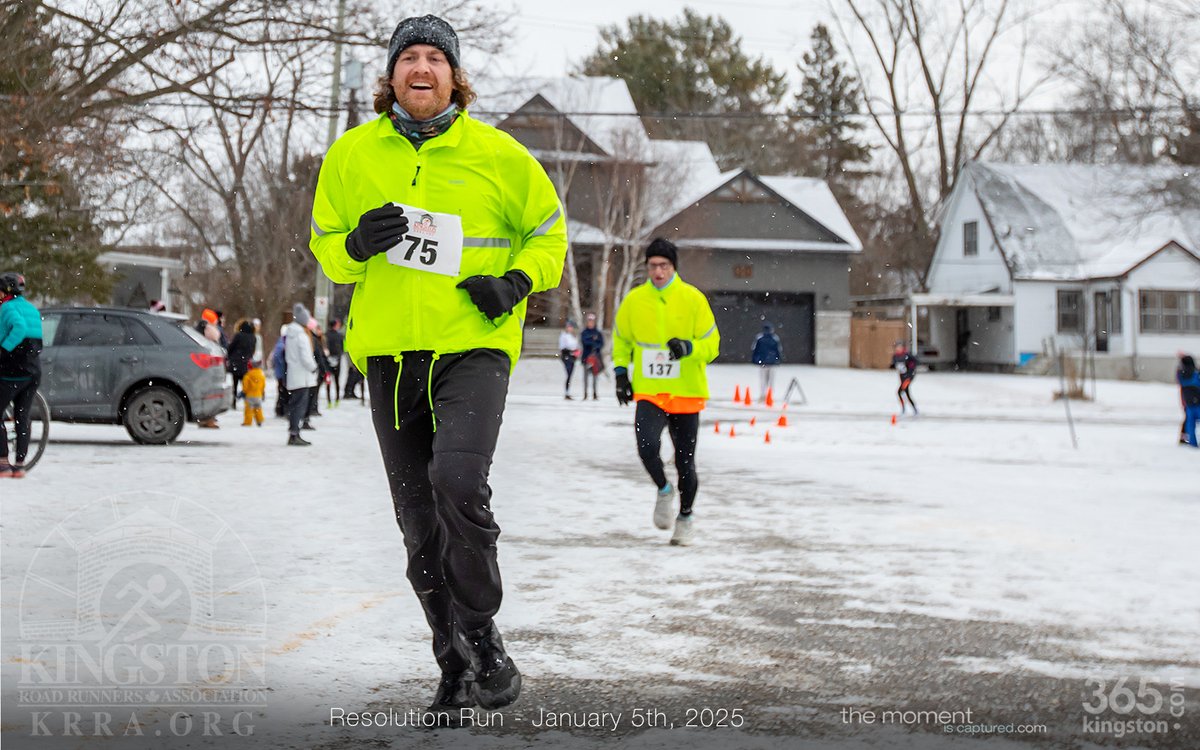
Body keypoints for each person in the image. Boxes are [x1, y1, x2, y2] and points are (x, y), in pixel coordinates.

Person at [307, 13, 567, 716]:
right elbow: (326, 245)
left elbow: (550, 236)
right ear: (391, 77)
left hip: (472, 346)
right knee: (417, 522)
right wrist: (355, 244)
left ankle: (481, 635)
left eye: (434, 58)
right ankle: (450, 660)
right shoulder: (352, 155)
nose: (421, 69)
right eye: (408, 58)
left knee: (457, 480)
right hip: (391, 353)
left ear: (455, 76)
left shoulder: (501, 155)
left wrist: (515, 283)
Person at [612, 238, 719, 547]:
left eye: (664, 265)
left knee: (686, 463)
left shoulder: (693, 299)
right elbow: (622, 341)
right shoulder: (634, 300)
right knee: (646, 446)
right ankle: (663, 489)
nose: (658, 271)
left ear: (674, 268)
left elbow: (713, 346)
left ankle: (685, 516)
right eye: (652, 266)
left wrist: (689, 347)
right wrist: (621, 373)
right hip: (650, 392)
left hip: (686, 391)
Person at [0, 272, 43, 478]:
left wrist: (4, 348)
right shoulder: (32, 309)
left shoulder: (7, 307)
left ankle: (2, 463)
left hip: (12, 371)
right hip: (33, 371)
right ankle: (19, 465)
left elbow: (19, 327)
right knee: (22, 417)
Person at [284, 304, 318, 446]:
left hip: (293, 374)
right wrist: (314, 368)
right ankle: (295, 434)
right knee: (300, 406)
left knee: (294, 404)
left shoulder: (290, 334)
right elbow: (306, 357)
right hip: (303, 376)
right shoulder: (301, 336)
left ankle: (293, 432)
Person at [227, 320, 257, 408]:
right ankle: (247, 403)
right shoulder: (253, 337)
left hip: (236, 363)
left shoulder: (238, 335)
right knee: (246, 385)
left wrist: (230, 356)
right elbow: (253, 351)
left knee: (235, 384)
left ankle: (234, 402)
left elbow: (231, 347)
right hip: (246, 364)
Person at [751, 322, 782, 401]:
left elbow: (755, 349)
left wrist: (755, 360)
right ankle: (770, 395)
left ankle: (762, 395)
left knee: (763, 380)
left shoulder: (759, 338)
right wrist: (778, 359)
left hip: (763, 362)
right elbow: (778, 350)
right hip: (772, 362)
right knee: (771, 380)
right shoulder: (775, 338)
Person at [1177, 354, 1200, 448]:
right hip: (1198, 403)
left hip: (1189, 404)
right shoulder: (1196, 374)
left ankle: (1192, 442)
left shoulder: (1182, 375)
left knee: (1190, 424)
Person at [580, 312, 604, 400]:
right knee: (586, 377)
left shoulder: (598, 332)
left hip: (595, 357)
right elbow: (585, 342)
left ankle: (594, 393)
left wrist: (593, 343)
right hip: (586, 357)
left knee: (595, 377)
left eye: (592, 321)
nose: (590, 323)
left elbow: (601, 344)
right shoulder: (584, 332)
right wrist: (593, 341)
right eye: (589, 321)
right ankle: (585, 393)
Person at [892, 341, 919, 416]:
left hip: (908, 377)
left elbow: (915, 361)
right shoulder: (895, 356)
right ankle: (914, 409)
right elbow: (895, 365)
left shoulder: (907, 355)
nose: (898, 348)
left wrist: (911, 369)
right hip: (902, 377)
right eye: (897, 347)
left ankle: (905, 409)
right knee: (906, 393)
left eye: (900, 347)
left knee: (900, 391)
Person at [325, 318, 345, 407]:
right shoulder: (339, 335)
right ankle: (337, 400)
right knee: (337, 381)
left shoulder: (326, 335)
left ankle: (329, 401)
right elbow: (342, 348)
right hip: (337, 360)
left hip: (328, 361)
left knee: (328, 381)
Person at [241, 359, 267, 427]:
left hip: (250, 395)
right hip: (258, 395)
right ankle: (259, 420)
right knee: (258, 408)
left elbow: (245, 386)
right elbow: (263, 385)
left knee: (249, 410)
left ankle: (248, 422)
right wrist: (262, 392)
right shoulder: (261, 375)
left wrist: (244, 391)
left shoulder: (248, 375)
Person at [558, 320, 579, 399]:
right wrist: (570, 351)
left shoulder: (573, 336)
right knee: (568, 373)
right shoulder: (564, 335)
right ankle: (566, 392)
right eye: (568, 327)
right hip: (566, 355)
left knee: (570, 374)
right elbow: (563, 347)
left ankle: (568, 392)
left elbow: (575, 346)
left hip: (573, 356)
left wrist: (575, 352)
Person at [271, 324, 289, 418]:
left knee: (282, 391)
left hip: (281, 372)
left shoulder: (280, 343)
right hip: (282, 373)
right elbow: (278, 358)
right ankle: (281, 410)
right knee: (283, 391)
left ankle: (280, 409)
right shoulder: (282, 344)